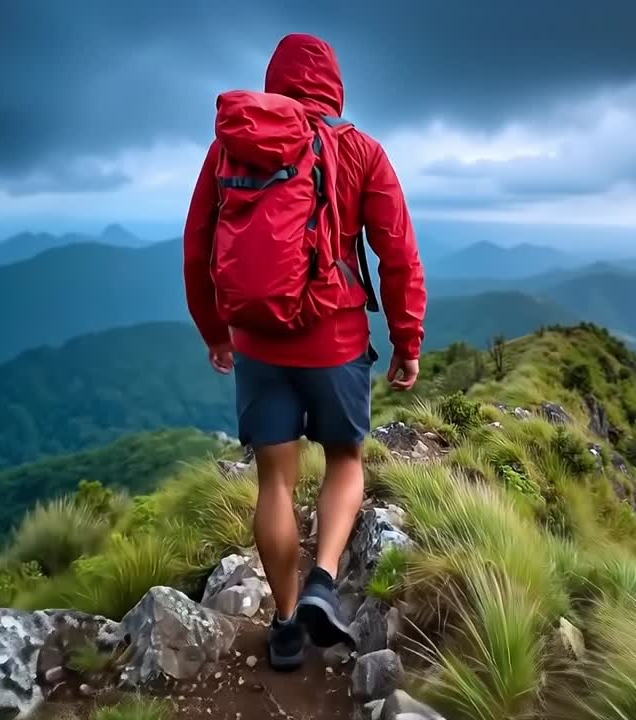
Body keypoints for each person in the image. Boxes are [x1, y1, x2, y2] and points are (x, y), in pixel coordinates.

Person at [182, 33, 426, 672]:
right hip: (337, 338)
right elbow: (396, 253)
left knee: (275, 484)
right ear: (334, 86)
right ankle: (323, 579)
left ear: (273, 83)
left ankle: (286, 626)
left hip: (259, 342)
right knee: (346, 459)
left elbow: (197, 245)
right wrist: (408, 340)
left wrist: (214, 330)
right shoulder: (361, 150)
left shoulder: (230, 147)